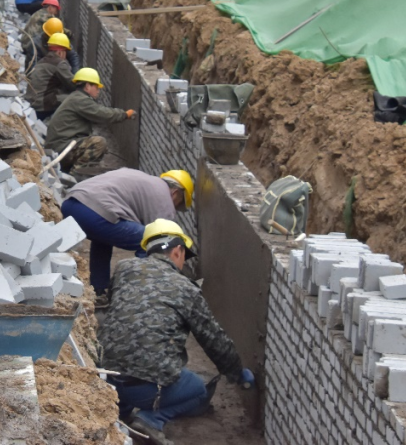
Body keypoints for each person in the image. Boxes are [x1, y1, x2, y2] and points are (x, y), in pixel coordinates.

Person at [98, 219, 253, 444]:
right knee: (199, 390)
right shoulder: (185, 288)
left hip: (105, 378)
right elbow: (213, 339)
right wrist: (236, 372)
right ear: (178, 251)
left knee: (126, 355)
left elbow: (118, 312)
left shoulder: (124, 268)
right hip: (146, 389)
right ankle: (151, 420)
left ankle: (119, 412)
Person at [61, 169, 194, 296]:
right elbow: (162, 238)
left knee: (103, 240)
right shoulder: (165, 198)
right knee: (149, 241)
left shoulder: (147, 182)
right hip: (93, 212)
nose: (174, 208)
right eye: (178, 203)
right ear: (175, 193)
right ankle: (143, 293)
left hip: (71, 204)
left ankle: (99, 290)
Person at [44, 68, 134, 173]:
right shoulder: (81, 100)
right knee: (98, 143)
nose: (98, 91)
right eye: (96, 87)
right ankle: (77, 174)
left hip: (59, 147)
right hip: (61, 150)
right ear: (87, 86)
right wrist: (124, 114)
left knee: (94, 146)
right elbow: (102, 114)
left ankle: (70, 170)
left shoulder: (75, 97)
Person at [25, 32, 75, 119]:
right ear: (60, 52)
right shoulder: (59, 63)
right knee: (75, 99)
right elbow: (73, 84)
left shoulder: (45, 59)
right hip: (41, 106)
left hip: (31, 102)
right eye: (65, 51)